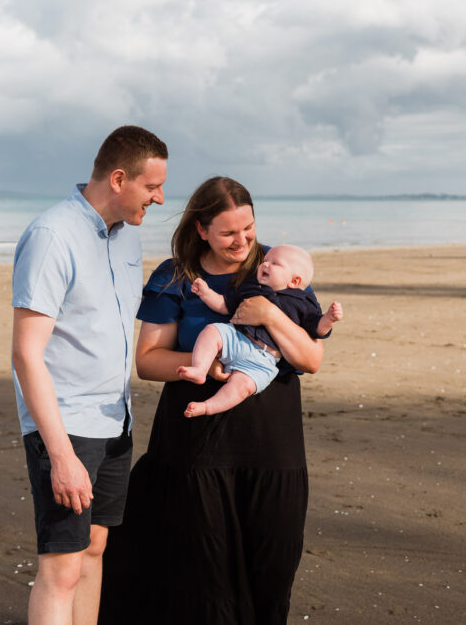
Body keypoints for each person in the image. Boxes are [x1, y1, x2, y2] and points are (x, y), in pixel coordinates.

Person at [99, 177, 325, 625]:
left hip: (273, 448)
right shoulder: (176, 275)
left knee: (273, 570)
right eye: (228, 233)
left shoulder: (279, 269)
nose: (242, 242)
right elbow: (147, 361)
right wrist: (213, 364)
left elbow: (311, 358)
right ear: (201, 229)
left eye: (249, 229)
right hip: (195, 447)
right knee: (204, 579)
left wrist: (270, 315)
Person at [11, 125, 167, 625]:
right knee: (60, 570)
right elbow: (26, 354)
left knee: (95, 552)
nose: (160, 198)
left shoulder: (127, 240)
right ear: (119, 179)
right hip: (66, 425)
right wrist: (60, 455)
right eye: (152, 187)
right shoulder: (52, 235)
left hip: (114, 420)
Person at [178, 244, 343, 417]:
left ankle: (207, 407)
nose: (265, 265)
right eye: (265, 261)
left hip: (263, 359)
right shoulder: (252, 287)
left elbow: (316, 328)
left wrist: (328, 319)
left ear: (294, 281)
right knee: (211, 331)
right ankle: (200, 369)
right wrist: (205, 293)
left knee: (241, 387)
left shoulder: (303, 301)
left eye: (275, 264)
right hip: (237, 338)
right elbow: (225, 305)